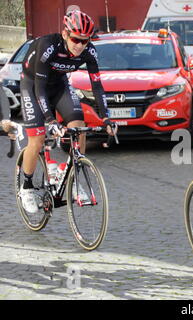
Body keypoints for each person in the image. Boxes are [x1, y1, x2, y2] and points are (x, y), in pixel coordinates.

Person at [19, 10, 117, 213]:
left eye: (85, 41)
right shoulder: (48, 46)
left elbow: (97, 86)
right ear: (65, 34)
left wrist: (106, 117)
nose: (80, 45)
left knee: (78, 128)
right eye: (75, 39)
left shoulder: (89, 52)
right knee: (37, 139)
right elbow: (39, 87)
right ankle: (26, 187)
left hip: (60, 85)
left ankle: (71, 176)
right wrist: (50, 119)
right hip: (34, 85)